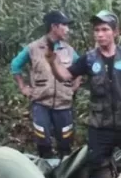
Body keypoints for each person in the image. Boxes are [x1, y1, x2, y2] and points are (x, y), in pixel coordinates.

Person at [47, 10, 121, 178]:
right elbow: (65, 76)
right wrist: (52, 61)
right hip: (101, 124)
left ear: (115, 32)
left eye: (105, 29)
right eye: (97, 30)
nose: (100, 34)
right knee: (96, 161)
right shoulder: (89, 59)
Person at [11, 10, 81, 159]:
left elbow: (79, 68)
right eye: (65, 26)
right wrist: (23, 87)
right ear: (54, 27)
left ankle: (65, 173)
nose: (67, 30)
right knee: (42, 140)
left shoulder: (69, 50)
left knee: (66, 141)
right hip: (41, 102)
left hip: (64, 104)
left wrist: (74, 86)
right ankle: (45, 170)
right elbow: (15, 66)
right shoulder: (33, 48)